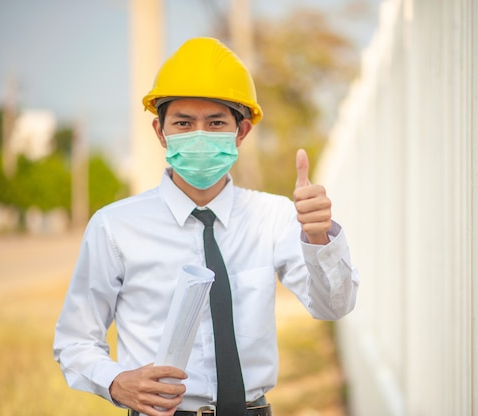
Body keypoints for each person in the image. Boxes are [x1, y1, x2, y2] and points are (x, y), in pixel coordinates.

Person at [53, 37, 359, 416]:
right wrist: (116, 382)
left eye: (215, 123)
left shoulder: (274, 217)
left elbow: (334, 306)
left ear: (241, 131)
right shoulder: (115, 227)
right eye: (183, 122)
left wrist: (318, 236)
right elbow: (74, 340)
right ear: (160, 131)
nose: (199, 135)